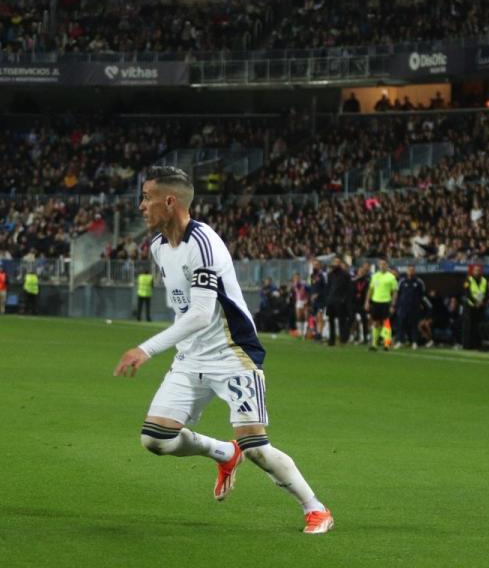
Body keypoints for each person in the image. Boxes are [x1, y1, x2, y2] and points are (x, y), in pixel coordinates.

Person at [112, 166, 333, 535]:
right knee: (154, 439)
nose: (140, 206)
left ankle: (316, 509)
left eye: (147, 197)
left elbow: (200, 314)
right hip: (190, 357)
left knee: (257, 447)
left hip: (232, 354)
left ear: (170, 200)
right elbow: (183, 307)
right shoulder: (156, 247)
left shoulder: (204, 242)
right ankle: (223, 452)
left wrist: (146, 349)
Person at [364, 259, 397, 351]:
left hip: (386, 302)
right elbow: (370, 290)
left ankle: (387, 344)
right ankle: (374, 344)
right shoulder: (374, 276)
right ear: (378, 265)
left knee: (386, 322)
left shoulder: (391, 277)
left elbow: (394, 292)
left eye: (384, 264)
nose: (383, 265)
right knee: (375, 322)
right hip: (375, 302)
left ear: (387, 265)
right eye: (381, 264)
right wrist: (367, 301)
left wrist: (393, 304)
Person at [395, 264, 425, 350]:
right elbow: (397, 293)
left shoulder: (419, 282)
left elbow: (422, 294)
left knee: (414, 325)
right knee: (401, 324)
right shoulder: (402, 281)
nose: (411, 271)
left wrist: (419, 304)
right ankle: (400, 341)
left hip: (414, 307)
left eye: (412, 270)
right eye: (409, 270)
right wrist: (396, 304)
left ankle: (414, 342)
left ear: (414, 271)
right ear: (406, 271)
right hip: (403, 307)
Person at [462, 264, 488, 350]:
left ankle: (477, 344)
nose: (477, 272)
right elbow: (467, 293)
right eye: (476, 270)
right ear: (473, 271)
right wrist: (475, 302)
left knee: (478, 327)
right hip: (470, 306)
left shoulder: (484, 280)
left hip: (480, 307)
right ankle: (467, 345)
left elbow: (487, 293)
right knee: (469, 326)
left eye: (479, 270)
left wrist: (482, 302)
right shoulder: (468, 279)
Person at [325, 259, 351, 346]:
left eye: (337, 262)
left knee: (341, 321)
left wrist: (344, 299)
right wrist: (328, 299)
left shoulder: (345, 275)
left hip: (340, 301)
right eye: (334, 262)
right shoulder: (330, 275)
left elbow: (348, 289)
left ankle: (342, 339)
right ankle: (331, 339)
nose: (335, 264)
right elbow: (328, 287)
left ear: (340, 264)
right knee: (331, 321)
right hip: (331, 301)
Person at [291, 272, 309, 339]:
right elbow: (293, 293)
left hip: (304, 300)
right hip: (298, 301)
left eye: (297, 277)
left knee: (305, 316)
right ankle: (300, 332)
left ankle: (305, 333)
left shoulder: (304, 284)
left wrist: (307, 300)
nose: (296, 279)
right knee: (298, 317)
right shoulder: (294, 285)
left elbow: (308, 291)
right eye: (295, 278)